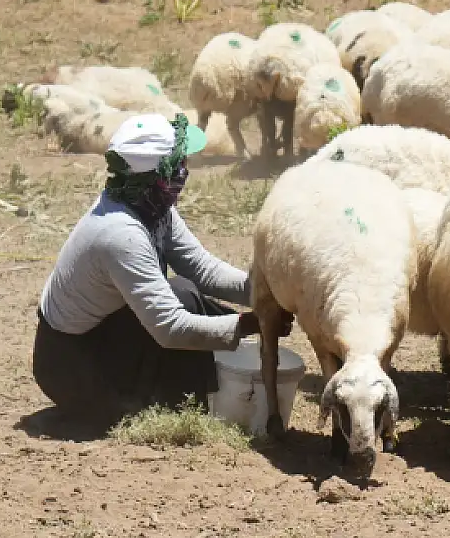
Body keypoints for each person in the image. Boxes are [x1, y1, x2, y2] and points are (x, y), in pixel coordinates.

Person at [32, 113, 283, 428]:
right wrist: (252, 323)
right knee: (182, 307)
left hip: (100, 336)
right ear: (160, 177)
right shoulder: (120, 234)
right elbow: (170, 328)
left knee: (185, 292)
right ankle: (159, 405)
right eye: (180, 164)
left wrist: (270, 294)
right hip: (70, 366)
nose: (186, 170)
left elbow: (202, 268)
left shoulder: (149, 204)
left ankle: (178, 393)